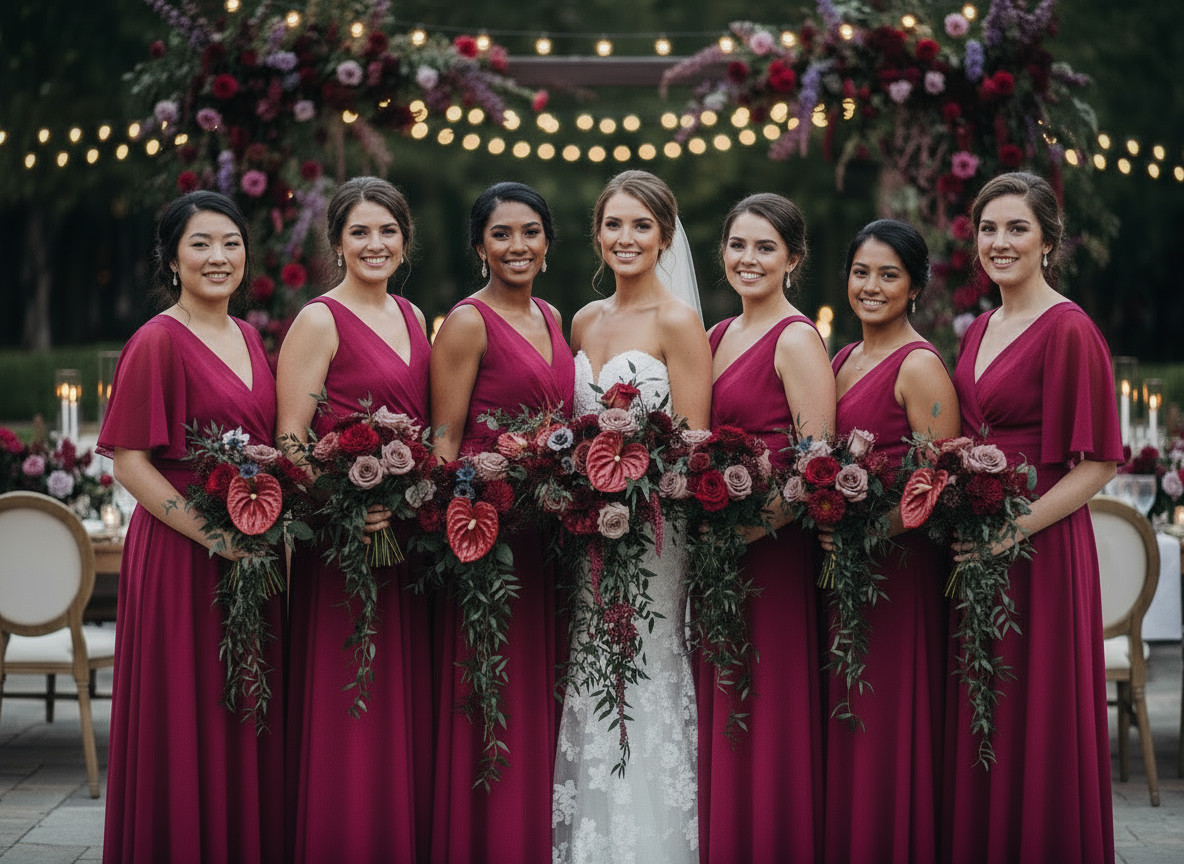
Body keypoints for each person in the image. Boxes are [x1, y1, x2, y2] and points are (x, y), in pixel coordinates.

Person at [99, 191, 283, 863]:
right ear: (173, 259)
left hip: (248, 550)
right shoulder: (156, 340)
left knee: (238, 705)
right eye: (201, 244)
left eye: (230, 243)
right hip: (183, 553)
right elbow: (130, 464)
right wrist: (215, 539)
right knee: (188, 709)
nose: (218, 257)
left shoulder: (250, 337)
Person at [942, 172, 1120, 864]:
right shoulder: (981, 326)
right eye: (989, 228)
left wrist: (1013, 531)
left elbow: (1099, 463)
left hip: (1038, 548)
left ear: (1048, 240)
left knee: (1033, 710)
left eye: (1017, 228)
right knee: (988, 708)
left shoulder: (1069, 328)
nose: (1000, 242)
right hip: (976, 541)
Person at [552, 170, 711, 864]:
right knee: (593, 662)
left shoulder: (679, 322)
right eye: (614, 224)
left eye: (642, 225)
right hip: (589, 523)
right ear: (597, 234)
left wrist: (637, 486)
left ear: (665, 236)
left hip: (655, 526)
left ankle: (658, 842)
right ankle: (593, 835)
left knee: (647, 658)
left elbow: (695, 441)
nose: (626, 238)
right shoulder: (582, 321)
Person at [276, 177, 432, 863]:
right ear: (336, 242)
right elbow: (290, 438)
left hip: (408, 542)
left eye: (387, 230)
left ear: (405, 240)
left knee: (400, 699)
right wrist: (348, 504)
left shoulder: (416, 316)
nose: (375, 244)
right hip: (346, 546)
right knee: (351, 698)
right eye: (360, 232)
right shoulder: (319, 320)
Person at [429, 182, 574, 863]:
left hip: (551, 536)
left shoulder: (552, 316)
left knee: (541, 685)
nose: (517, 246)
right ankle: (485, 842)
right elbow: (444, 442)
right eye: (501, 234)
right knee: (493, 689)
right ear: (479, 245)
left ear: (548, 242)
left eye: (529, 232)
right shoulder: (467, 322)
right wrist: (464, 520)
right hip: (489, 535)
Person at [697, 193, 834, 862]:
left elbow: (817, 468)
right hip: (719, 552)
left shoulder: (797, 338)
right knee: (724, 702)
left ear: (792, 260)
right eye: (738, 245)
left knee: (767, 703)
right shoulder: (718, 337)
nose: (747, 259)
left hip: (772, 556)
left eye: (764, 248)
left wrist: (745, 532)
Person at [822, 220, 960, 864]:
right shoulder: (843, 359)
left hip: (897, 573)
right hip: (843, 572)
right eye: (861, 272)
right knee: (848, 716)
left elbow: (937, 484)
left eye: (888, 275)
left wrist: (861, 530)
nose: (871, 286)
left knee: (886, 722)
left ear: (914, 287)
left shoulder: (921, 366)